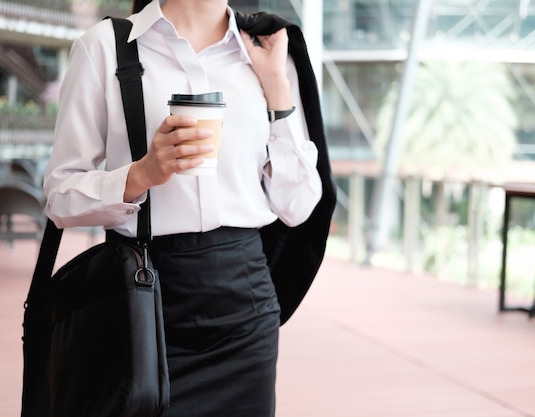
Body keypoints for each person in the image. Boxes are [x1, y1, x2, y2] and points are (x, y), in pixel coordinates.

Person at [43, 0, 325, 416]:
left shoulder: (269, 51)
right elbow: (60, 196)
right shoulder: (105, 46)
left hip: (245, 303)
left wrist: (277, 91)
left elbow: (298, 205)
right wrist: (140, 175)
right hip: (143, 295)